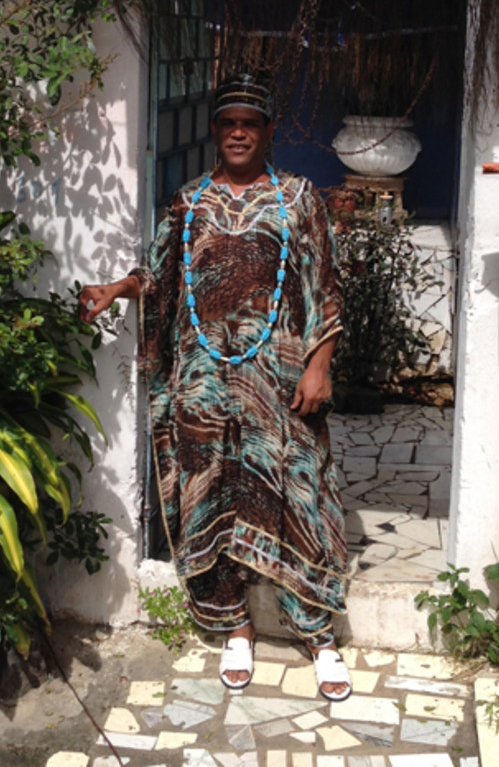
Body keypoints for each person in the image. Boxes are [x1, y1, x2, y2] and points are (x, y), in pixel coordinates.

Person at [80, 75, 351, 700]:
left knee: (296, 491)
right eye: (227, 122)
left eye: (249, 123)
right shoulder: (190, 201)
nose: (236, 132)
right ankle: (234, 624)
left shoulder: (297, 199)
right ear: (215, 130)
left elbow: (327, 286)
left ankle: (318, 632)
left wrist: (319, 364)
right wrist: (117, 290)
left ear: (266, 132)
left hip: (277, 375)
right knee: (212, 492)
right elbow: (158, 272)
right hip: (202, 376)